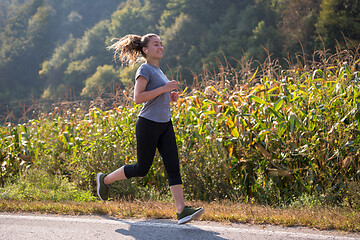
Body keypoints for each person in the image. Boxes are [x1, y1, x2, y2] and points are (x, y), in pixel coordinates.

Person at [96, 33, 204, 224]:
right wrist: (164, 90)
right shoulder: (144, 69)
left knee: (173, 166)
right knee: (141, 168)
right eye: (156, 44)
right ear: (145, 50)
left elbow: (155, 95)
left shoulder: (159, 71)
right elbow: (138, 98)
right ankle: (105, 180)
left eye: (161, 44)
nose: (160, 47)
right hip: (148, 124)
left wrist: (168, 97)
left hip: (165, 123)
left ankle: (181, 211)